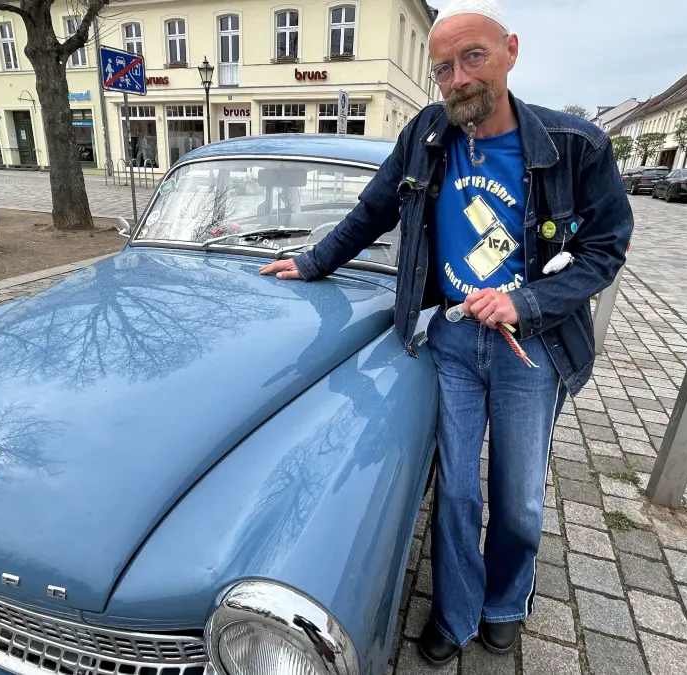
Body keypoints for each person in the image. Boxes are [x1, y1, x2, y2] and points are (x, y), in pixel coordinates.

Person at [259, 0, 633, 664]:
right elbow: (372, 210)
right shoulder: (427, 134)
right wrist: (314, 260)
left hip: (532, 347)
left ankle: (505, 600)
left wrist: (528, 299)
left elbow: (605, 251)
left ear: (510, 51)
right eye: (443, 69)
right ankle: (456, 609)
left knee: (518, 499)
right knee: (457, 489)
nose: (458, 79)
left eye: (472, 58)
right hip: (453, 339)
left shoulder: (576, 146)